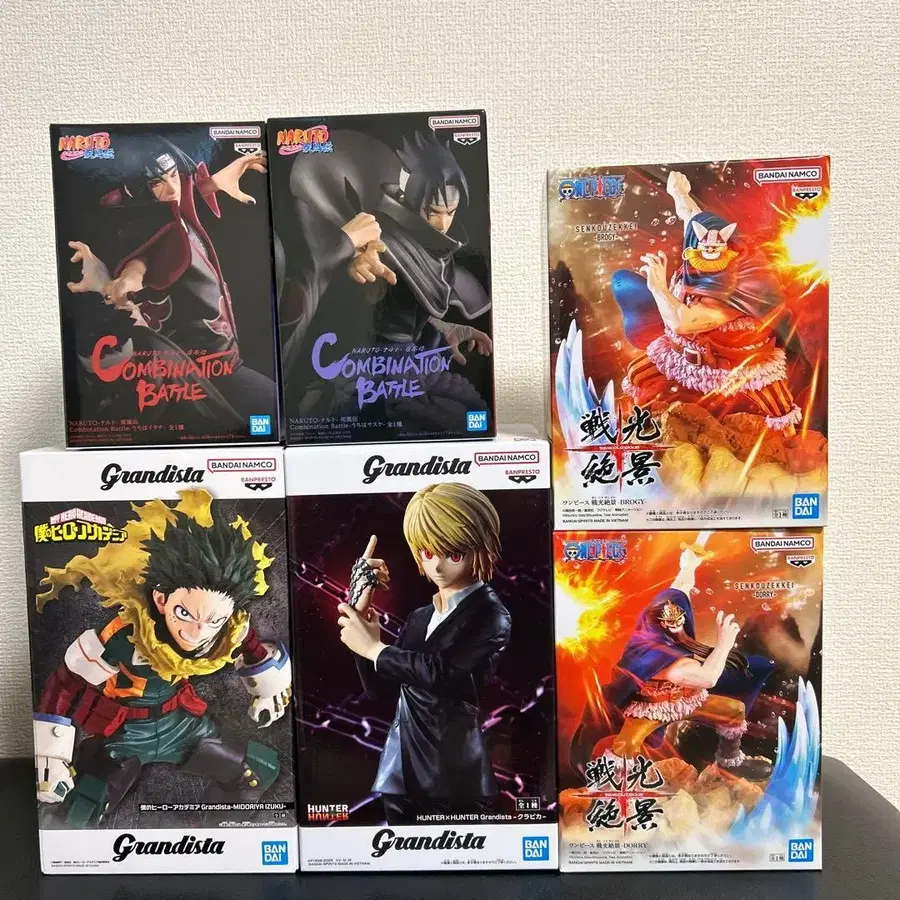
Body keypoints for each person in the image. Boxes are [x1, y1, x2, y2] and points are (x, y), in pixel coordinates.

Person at [33, 490, 291, 826]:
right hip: (125, 735)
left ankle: (219, 839)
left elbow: (251, 646)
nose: (198, 632)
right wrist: (50, 755)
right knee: (79, 811)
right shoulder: (125, 636)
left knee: (257, 770)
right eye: (185, 614)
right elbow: (66, 683)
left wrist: (269, 688)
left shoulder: (228, 629)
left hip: (182, 727)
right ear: (161, 599)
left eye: (214, 620)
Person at [65, 136, 274, 424]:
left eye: (174, 175)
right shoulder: (159, 231)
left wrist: (213, 182)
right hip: (209, 371)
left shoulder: (177, 209)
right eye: (157, 183)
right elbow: (145, 256)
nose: (172, 188)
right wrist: (127, 279)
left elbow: (186, 192)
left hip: (222, 359)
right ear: (140, 191)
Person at [335, 483, 510, 824]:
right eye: (428, 553)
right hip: (398, 775)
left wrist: (374, 648)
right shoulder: (420, 617)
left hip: (453, 781)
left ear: (480, 546)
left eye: (453, 554)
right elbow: (382, 691)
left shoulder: (490, 614)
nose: (438, 566)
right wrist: (363, 625)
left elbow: (440, 672)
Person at [611, 170, 803, 434]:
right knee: (638, 373)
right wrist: (680, 193)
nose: (711, 251)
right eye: (705, 246)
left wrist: (658, 288)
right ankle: (638, 423)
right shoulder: (697, 258)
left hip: (737, 365)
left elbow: (681, 322)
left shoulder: (732, 295)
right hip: (681, 352)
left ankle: (791, 440)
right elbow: (692, 216)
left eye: (717, 249)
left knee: (777, 404)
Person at [570, 541, 774, 781]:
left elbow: (681, 587)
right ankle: (615, 785)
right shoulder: (657, 656)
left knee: (734, 711)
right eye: (671, 623)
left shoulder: (665, 619)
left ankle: (729, 761)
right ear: (659, 625)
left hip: (687, 700)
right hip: (652, 708)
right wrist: (724, 643)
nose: (678, 626)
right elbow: (707, 678)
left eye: (680, 621)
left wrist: (688, 565)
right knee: (627, 744)